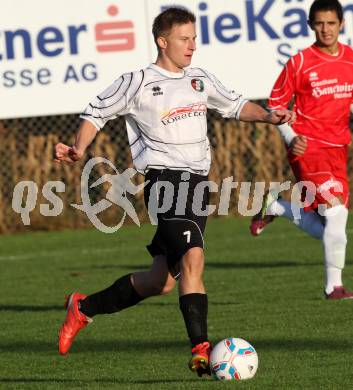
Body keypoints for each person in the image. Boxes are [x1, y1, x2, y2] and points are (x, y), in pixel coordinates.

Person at [55, 7, 295, 376]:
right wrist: (79, 148)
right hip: (165, 182)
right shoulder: (136, 81)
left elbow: (234, 105)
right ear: (162, 41)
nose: (192, 46)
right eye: (185, 39)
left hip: (198, 186)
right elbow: (95, 113)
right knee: (193, 259)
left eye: (194, 38)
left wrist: (266, 115)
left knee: (161, 281)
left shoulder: (199, 79)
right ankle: (201, 348)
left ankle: (82, 308)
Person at [251, 0, 353, 300]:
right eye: (319, 23)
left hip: (337, 148)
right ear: (311, 26)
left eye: (331, 23)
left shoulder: (350, 60)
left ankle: (277, 206)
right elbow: (276, 103)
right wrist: (289, 136)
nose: (326, 29)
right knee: (335, 214)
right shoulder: (300, 62)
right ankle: (333, 287)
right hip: (307, 147)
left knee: (331, 229)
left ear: (341, 24)